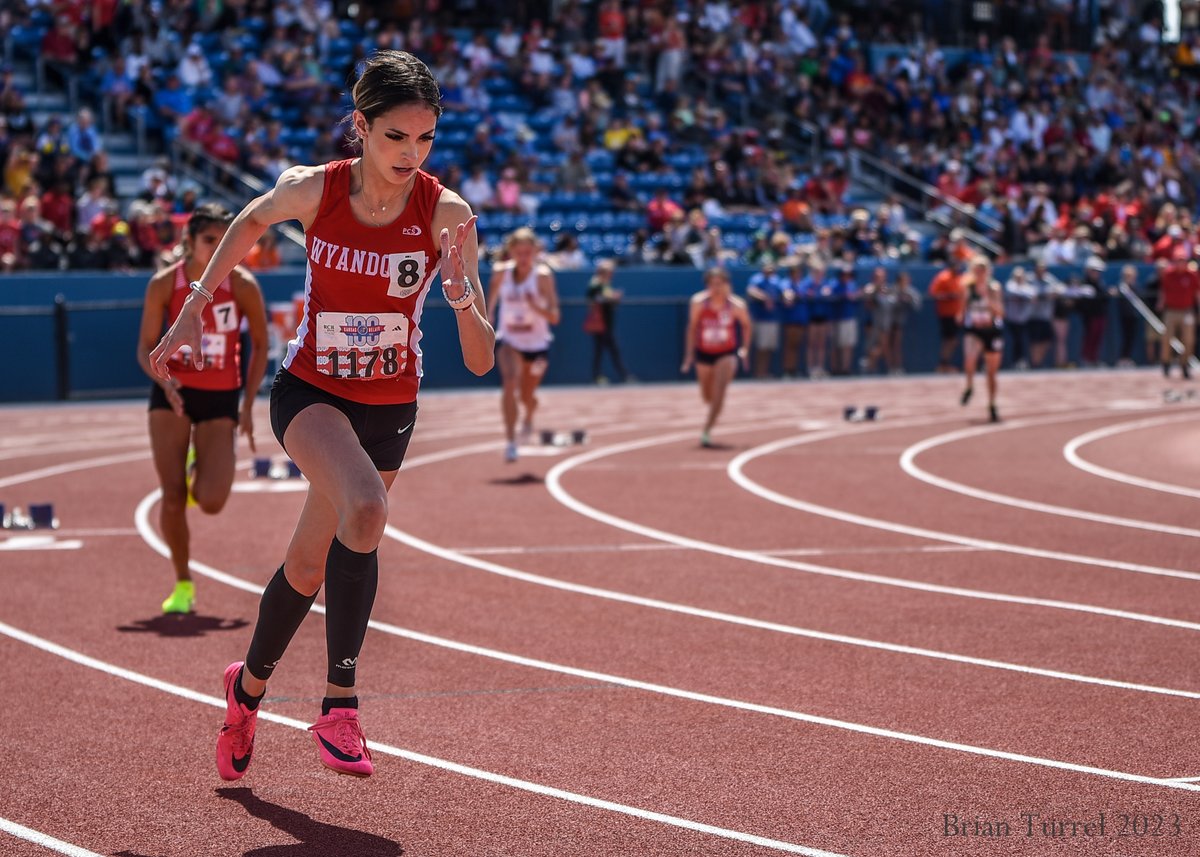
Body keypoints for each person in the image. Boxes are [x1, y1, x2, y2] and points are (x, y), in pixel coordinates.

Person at [148, 50, 495, 781]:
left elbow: (481, 359)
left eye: (427, 138)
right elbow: (248, 221)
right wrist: (193, 309)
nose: (413, 154)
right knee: (365, 508)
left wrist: (461, 294)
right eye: (397, 136)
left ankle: (245, 692)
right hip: (310, 393)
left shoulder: (450, 214)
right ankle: (341, 703)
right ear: (362, 128)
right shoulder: (316, 191)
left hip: (391, 406)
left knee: (308, 562)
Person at [136, 203, 269, 616]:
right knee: (173, 496)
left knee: (210, 500)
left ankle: (200, 464)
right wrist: (165, 382)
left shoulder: (243, 285)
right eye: (209, 240)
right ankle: (183, 582)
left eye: (224, 241)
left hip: (219, 397)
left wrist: (247, 405)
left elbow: (261, 346)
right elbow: (144, 348)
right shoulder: (163, 284)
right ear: (188, 242)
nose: (217, 248)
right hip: (173, 394)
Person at [489, 227, 560, 462]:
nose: (523, 257)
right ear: (511, 252)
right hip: (509, 340)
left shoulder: (543, 276)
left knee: (527, 395)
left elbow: (554, 317)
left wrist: (535, 306)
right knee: (510, 382)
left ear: (535, 252)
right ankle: (510, 441)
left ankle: (529, 414)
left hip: (538, 346)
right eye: (518, 252)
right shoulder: (500, 273)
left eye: (528, 252)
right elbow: (488, 309)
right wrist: (486, 325)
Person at [680, 267, 752, 447]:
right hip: (704, 353)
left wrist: (744, 348)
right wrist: (689, 354)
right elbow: (691, 328)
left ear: (727, 285)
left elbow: (747, 326)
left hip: (726, 353)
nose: (717, 288)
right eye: (713, 284)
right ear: (707, 286)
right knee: (707, 395)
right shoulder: (698, 303)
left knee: (719, 392)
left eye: (720, 284)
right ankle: (714, 410)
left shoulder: (736, 305)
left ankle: (706, 430)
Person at [958, 256, 1005, 423]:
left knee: (991, 373)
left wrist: (988, 300)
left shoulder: (994, 288)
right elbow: (962, 309)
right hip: (974, 330)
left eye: (982, 270)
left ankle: (992, 404)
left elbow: (1000, 312)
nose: (979, 274)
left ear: (988, 271)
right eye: (976, 270)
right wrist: (961, 316)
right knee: (970, 358)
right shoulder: (968, 288)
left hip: (992, 330)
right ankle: (969, 386)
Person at [1157, 248, 1200, 378]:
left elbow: (1197, 294)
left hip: (1187, 311)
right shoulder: (1168, 274)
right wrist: (1160, 303)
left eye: (1183, 260)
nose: (1181, 263)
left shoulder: (1191, 275)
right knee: (1166, 339)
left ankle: (1184, 364)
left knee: (1189, 340)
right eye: (1178, 260)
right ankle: (1166, 363)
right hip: (1171, 311)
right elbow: (1163, 291)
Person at [586, 258, 628, 384]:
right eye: (609, 272)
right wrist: (611, 298)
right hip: (601, 323)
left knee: (611, 350)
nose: (612, 274)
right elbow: (594, 300)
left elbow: (608, 300)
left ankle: (623, 375)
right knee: (601, 350)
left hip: (608, 323)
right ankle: (598, 376)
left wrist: (614, 298)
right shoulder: (595, 284)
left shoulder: (606, 284)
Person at [745, 258, 783, 378]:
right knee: (760, 347)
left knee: (768, 347)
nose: (769, 270)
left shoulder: (776, 280)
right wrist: (765, 297)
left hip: (772, 318)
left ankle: (765, 372)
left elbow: (784, 291)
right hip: (760, 318)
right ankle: (759, 372)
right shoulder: (756, 279)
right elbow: (751, 291)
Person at [928, 256, 966, 372]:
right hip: (946, 314)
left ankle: (944, 364)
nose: (957, 268)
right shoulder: (943, 277)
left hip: (958, 314)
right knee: (950, 340)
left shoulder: (961, 278)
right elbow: (933, 293)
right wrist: (948, 296)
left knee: (953, 340)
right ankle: (943, 365)